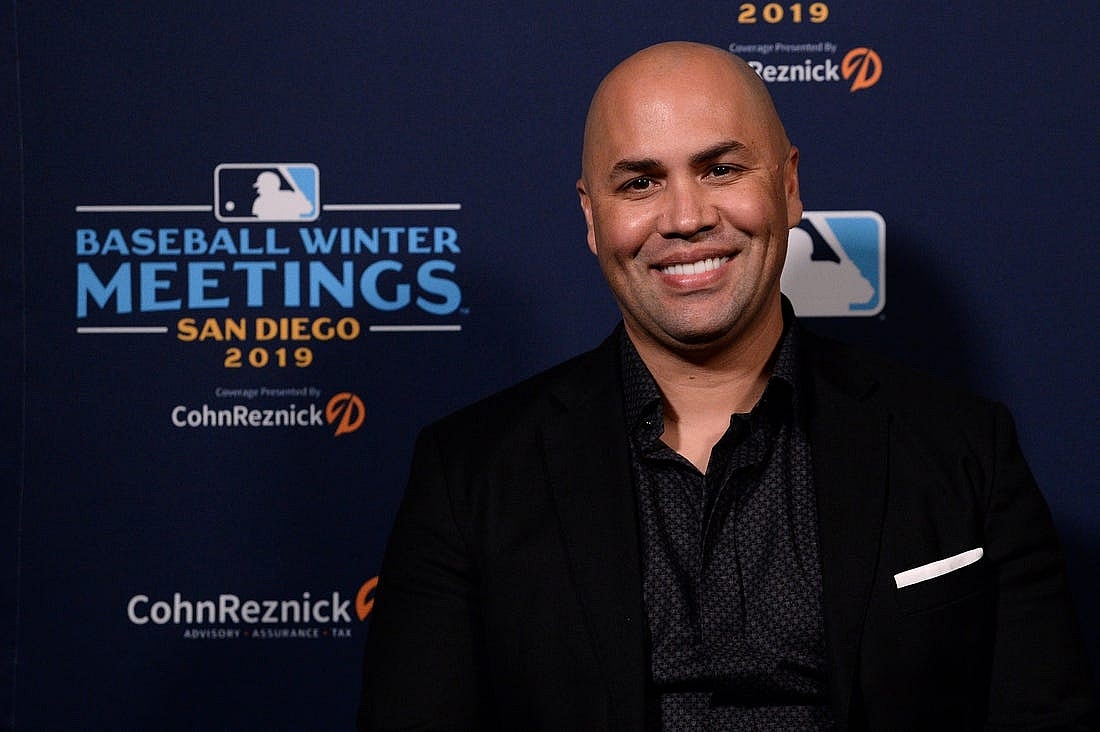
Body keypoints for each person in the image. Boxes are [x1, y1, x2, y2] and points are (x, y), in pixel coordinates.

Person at [357, 42, 1096, 730]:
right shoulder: (470, 473)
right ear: (592, 216)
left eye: (720, 170)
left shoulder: (965, 445)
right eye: (640, 182)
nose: (686, 219)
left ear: (790, 185)